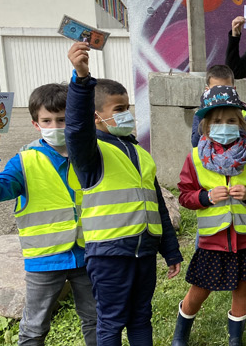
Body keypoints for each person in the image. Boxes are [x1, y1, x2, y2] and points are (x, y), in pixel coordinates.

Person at [66, 42, 185, 346]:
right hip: (109, 255)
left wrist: (170, 251)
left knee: (140, 317)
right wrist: (81, 80)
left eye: (127, 108)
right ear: (97, 118)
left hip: (143, 252)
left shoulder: (139, 153)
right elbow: (76, 128)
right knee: (112, 320)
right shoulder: (90, 153)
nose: (126, 115)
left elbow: (156, 203)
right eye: (118, 110)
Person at [0, 83, 100, 346]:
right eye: (47, 120)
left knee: (96, 320)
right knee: (34, 327)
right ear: (35, 124)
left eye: (62, 120)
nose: (55, 126)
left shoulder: (90, 154)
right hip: (44, 261)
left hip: (89, 254)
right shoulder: (25, 160)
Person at [173, 85, 246, 346]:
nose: (224, 125)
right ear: (206, 125)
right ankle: (180, 334)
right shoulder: (195, 157)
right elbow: (185, 196)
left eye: (231, 120)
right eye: (217, 121)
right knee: (200, 289)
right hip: (213, 240)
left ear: (240, 123)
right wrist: (205, 198)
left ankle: (235, 340)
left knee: (242, 289)